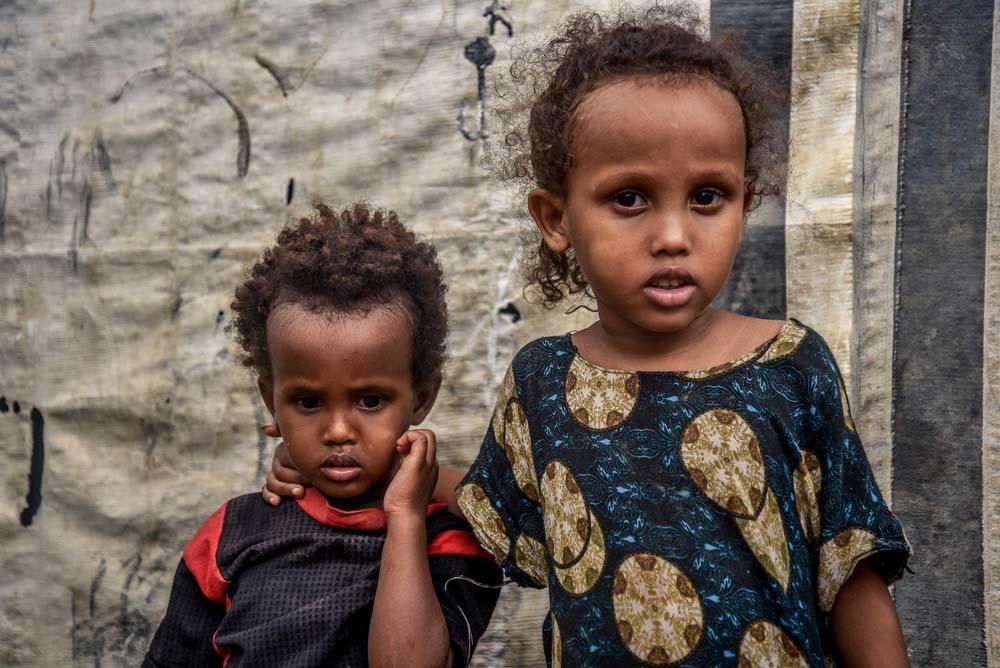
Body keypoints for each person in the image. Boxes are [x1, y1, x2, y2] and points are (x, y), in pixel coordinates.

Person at [266, 5, 911, 666]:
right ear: (556, 218)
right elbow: (491, 496)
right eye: (629, 198)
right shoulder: (545, 380)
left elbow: (850, 573)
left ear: (745, 202)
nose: (672, 236)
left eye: (708, 196)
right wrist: (345, 461)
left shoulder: (793, 365)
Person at [144, 203, 501, 668]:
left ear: (420, 398)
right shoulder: (231, 536)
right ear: (272, 400)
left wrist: (406, 515)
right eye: (308, 403)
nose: (337, 431)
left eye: (371, 401)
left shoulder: (447, 543)